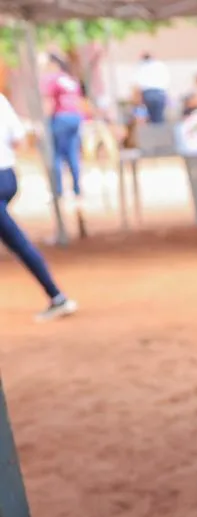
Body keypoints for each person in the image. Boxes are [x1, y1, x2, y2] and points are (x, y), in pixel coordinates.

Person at [0, 93, 78, 321]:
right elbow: (19, 141)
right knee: (14, 240)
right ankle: (56, 296)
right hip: (7, 177)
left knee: (17, 241)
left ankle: (57, 296)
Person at [41, 53, 84, 210]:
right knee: (73, 155)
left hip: (60, 118)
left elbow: (49, 101)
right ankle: (77, 189)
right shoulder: (70, 79)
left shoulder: (53, 78)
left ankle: (57, 191)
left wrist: (44, 122)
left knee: (56, 156)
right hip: (75, 117)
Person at [133, 53, 170, 124]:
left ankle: (155, 127)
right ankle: (158, 127)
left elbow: (138, 83)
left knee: (151, 116)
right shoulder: (160, 65)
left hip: (148, 92)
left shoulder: (142, 66)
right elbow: (166, 80)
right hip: (159, 92)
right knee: (159, 116)